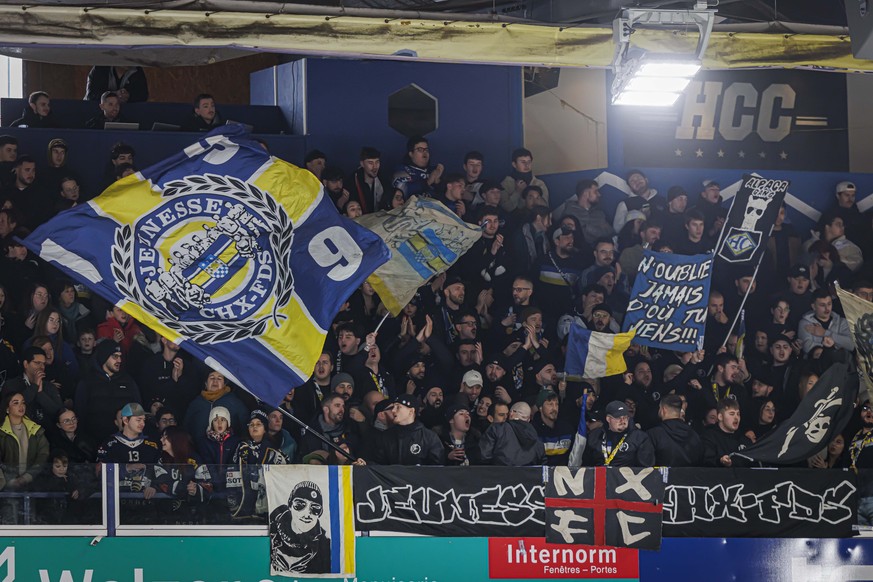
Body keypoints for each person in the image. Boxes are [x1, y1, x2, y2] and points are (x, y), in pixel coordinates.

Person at [77, 340, 142, 442]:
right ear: (104, 357)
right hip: (95, 441)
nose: (119, 360)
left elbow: (138, 409)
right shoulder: (87, 382)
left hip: (125, 440)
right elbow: (80, 414)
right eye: (115, 356)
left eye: (120, 356)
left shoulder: (128, 381)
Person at [228, 409, 286, 521]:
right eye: (251, 425)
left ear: (265, 429)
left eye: (258, 424)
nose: (254, 427)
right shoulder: (241, 447)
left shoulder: (273, 451)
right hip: (244, 508)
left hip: (266, 508)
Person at [270, 481, 332, 574]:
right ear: (290, 505)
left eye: (315, 509)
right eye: (299, 505)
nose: (307, 514)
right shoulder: (273, 529)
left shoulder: (324, 546)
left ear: (320, 514)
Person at [371, 394, 444, 465]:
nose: (393, 410)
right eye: (393, 407)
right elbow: (378, 466)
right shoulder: (386, 436)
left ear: (411, 411)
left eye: (398, 407)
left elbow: (437, 468)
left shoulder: (429, 437)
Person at [0, 390, 50, 491]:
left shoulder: (35, 429)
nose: (21, 406)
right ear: (7, 409)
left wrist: (27, 477)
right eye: (16, 403)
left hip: (32, 486)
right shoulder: (2, 432)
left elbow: (43, 455)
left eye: (23, 402)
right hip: (6, 487)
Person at [584, 400, 655, 466]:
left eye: (625, 417)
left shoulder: (640, 438)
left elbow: (647, 469)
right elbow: (586, 465)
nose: (622, 421)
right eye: (618, 417)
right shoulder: (594, 436)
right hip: (600, 474)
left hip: (628, 475)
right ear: (608, 419)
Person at [183, 369, 250, 438]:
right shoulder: (196, 403)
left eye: (219, 379)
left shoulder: (234, 403)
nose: (215, 381)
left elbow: (246, 426)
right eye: (212, 378)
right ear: (206, 383)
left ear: (224, 384)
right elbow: (186, 428)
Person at [478, 401, 545, 466]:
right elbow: (543, 464)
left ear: (511, 413)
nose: (506, 417)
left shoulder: (496, 428)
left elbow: (483, 456)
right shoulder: (536, 437)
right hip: (528, 474)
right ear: (528, 419)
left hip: (500, 473)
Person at [551, 179, 614, 246]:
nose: (599, 194)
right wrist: (599, 229)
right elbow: (574, 237)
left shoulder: (599, 213)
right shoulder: (569, 213)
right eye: (595, 191)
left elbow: (609, 232)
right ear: (586, 193)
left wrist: (586, 227)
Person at [646, 395, 703, 467]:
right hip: (690, 474)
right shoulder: (694, 435)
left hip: (662, 474)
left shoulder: (653, 435)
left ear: (664, 410)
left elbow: (647, 462)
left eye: (659, 408)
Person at [701, 398, 753, 467]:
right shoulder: (709, 437)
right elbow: (707, 461)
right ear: (720, 417)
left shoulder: (744, 440)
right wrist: (720, 461)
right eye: (732, 414)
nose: (736, 418)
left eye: (738, 414)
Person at [392, 135, 443, 200]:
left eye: (426, 150)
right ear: (411, 154)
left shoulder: (433, 170)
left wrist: (438, 182)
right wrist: (427, 182)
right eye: (420, 150)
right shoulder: (402, 169)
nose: (424, 153)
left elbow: (445, 195)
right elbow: (402, 192)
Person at [499, 148, 549, 212]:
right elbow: (506, 208)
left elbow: (545, 208)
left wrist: (536, 197)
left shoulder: (539, 183)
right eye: (523, 162)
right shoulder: (506, 184)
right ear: (514, 164)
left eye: (529, 162)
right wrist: (517, 192)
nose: (527, 165)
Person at [348, 146, 390, 214]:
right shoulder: (353, 182)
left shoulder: (384, 179)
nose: (375, 167)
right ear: (362, 164)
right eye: (370, 163)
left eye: (377, 162)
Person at [85, 65, 149, 103]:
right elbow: (91, 96)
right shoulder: (100, 68)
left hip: (127, 114)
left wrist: (128, 96)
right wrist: (113, 95)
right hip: (97, 112)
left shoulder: (137, 70)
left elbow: (143, 96)